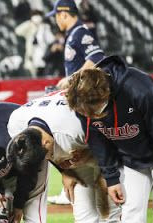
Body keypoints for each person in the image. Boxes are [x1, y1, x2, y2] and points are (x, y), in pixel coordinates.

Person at [7, 90, 122, 223]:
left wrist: (110, 174)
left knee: (109, 218)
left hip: (110, 148)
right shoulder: (16, 124)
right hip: (78, 151)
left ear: (48, 143)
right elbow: (36, 156)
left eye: (49, 154)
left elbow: (111, 139)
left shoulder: (71, 127)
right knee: (83, 220)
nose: (49, 157)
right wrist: (64, 170)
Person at [66, 57, 153, 223]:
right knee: (130, 219)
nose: (91, 117)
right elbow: (97, 140)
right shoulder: (82, 99)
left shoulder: (142, 90)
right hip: (132, 159)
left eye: (94, 112)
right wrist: (111, 178)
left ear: (106, 93)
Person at [46, 0, 105, 205]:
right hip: (76, 96)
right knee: (77, 142)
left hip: (84, 98)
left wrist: (74, 79)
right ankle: (79, 184)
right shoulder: (73, 34)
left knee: (79, 141)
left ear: (64, 14)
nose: (55, 19)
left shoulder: (80, 31)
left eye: (56, 15)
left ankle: (89, 182)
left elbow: (97, 56)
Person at [15, 10, 54, 77]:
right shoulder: (29, 27)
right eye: (34, 15)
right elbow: (17, 31)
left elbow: (51, 40)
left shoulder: (45, 27)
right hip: (31, 57)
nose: (36, 18)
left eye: (38, 15)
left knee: (42, 77)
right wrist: (29, 23)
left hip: (43, 57)